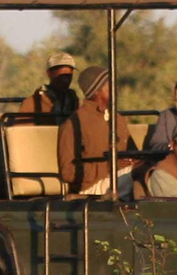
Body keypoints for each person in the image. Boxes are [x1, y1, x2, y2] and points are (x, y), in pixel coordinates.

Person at [57, 65, 134, 198]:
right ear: (97, 91)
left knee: (152, 170)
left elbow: (133, 153)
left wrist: (136, 160)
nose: (116, 90)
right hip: (91, 187)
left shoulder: (117, 118)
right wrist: (108, 166)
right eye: (110, 86)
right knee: (138, 174)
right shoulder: (74, 123)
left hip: (120, 178)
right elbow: (67, 172)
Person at [16, 52, 79, 125]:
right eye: (61, 76)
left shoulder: (74, 100)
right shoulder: (32, 103)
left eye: (68, 76)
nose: (65, 80)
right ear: (49, 73)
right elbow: (21, 132)